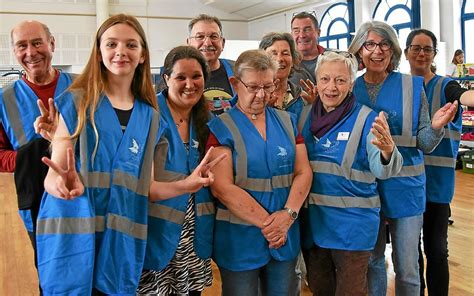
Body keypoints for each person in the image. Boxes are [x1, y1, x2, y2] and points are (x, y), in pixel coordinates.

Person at [34, 14, 217, 295]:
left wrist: (187, 184)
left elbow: (149, 188)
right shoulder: (75, 104)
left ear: (142, 55)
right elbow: (54, 172)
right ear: (99, 52)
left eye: (131, 45)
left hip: (121, 243)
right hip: (76, 237)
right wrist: (58, 184)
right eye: (112, 44)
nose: (121, 51)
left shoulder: (150, 117)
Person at [348, 21, 458, 296]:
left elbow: (423, 142)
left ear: (393, 50)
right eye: (370, 44)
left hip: (405, 188)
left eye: (384, 44)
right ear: (360, 49)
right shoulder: (349, 88)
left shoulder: (410, 86)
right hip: (365, 190)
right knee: (372, 262)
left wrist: (435, 127)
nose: (377, 51)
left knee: (407, 268)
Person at [207, 49, 312, 296]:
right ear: (235, 84)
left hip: (284, 236)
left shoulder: (287, 121)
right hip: (240, 239)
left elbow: (303, 171)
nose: (262, 94)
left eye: (268, 86)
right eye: (253, 87)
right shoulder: (221, 127)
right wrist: (270, 225)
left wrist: (287, 216)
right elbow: (222, 187)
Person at [298, 50, 403, 296]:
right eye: (325, 79)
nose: (331, 87)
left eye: (340, 80)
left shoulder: (368, 119)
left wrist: (388, 152)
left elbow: (381, 169)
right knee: (320, 290)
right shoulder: (302, 116)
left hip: (352, 230)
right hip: (314, 228)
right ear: (316, 81)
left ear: (351, 83)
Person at [0, 19, 74, 282]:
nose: (30, 52)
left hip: (84, 197)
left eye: (37, 42)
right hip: (36, 203)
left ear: (51, 44)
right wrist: (30, 158)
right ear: (14, 51)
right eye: (22, 45)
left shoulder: (82, 87)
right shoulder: (4, 100)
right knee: (51, 275)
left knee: (88, 271)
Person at [137, 45, 214, 295]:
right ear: (166, 78)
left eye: (196, 76)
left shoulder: (207, 119)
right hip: (156, 234)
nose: (189, 84)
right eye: (181, 77)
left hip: (193, 239)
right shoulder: (148, 115)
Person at [404, 28, 474, 296]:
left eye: (427, 49)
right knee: (410, 250)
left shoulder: (446, 86)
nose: (421, 53)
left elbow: (464, 96)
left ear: (434, 54)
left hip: (436, 184)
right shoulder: (401, 87)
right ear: (407, 51)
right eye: (416, 48)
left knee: (436, 249)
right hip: (406, 183)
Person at [259, 32, 310, 116]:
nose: (279, 59)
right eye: (273, 53)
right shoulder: (254, 96)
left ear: (293, 60)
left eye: (285, 53)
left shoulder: (302, 98)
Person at [290, 11, 325, 86]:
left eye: (307, 29)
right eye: (296, 31)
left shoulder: (334, 59)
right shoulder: (286, 63)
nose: (302, 35)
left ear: (318, 32)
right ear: (291, 35)